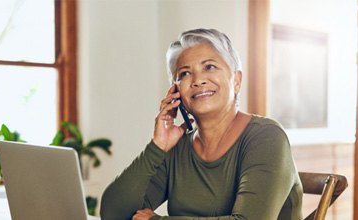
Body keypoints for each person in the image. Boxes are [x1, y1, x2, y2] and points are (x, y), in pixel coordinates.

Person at [100, 28, 303, 220]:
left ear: (236, 81)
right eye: (184, 74)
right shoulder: (178, 147)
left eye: (210, 67)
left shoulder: (267, 137)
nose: (198, 80)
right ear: (175, 91)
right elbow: (114, 214)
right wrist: (157, 147)